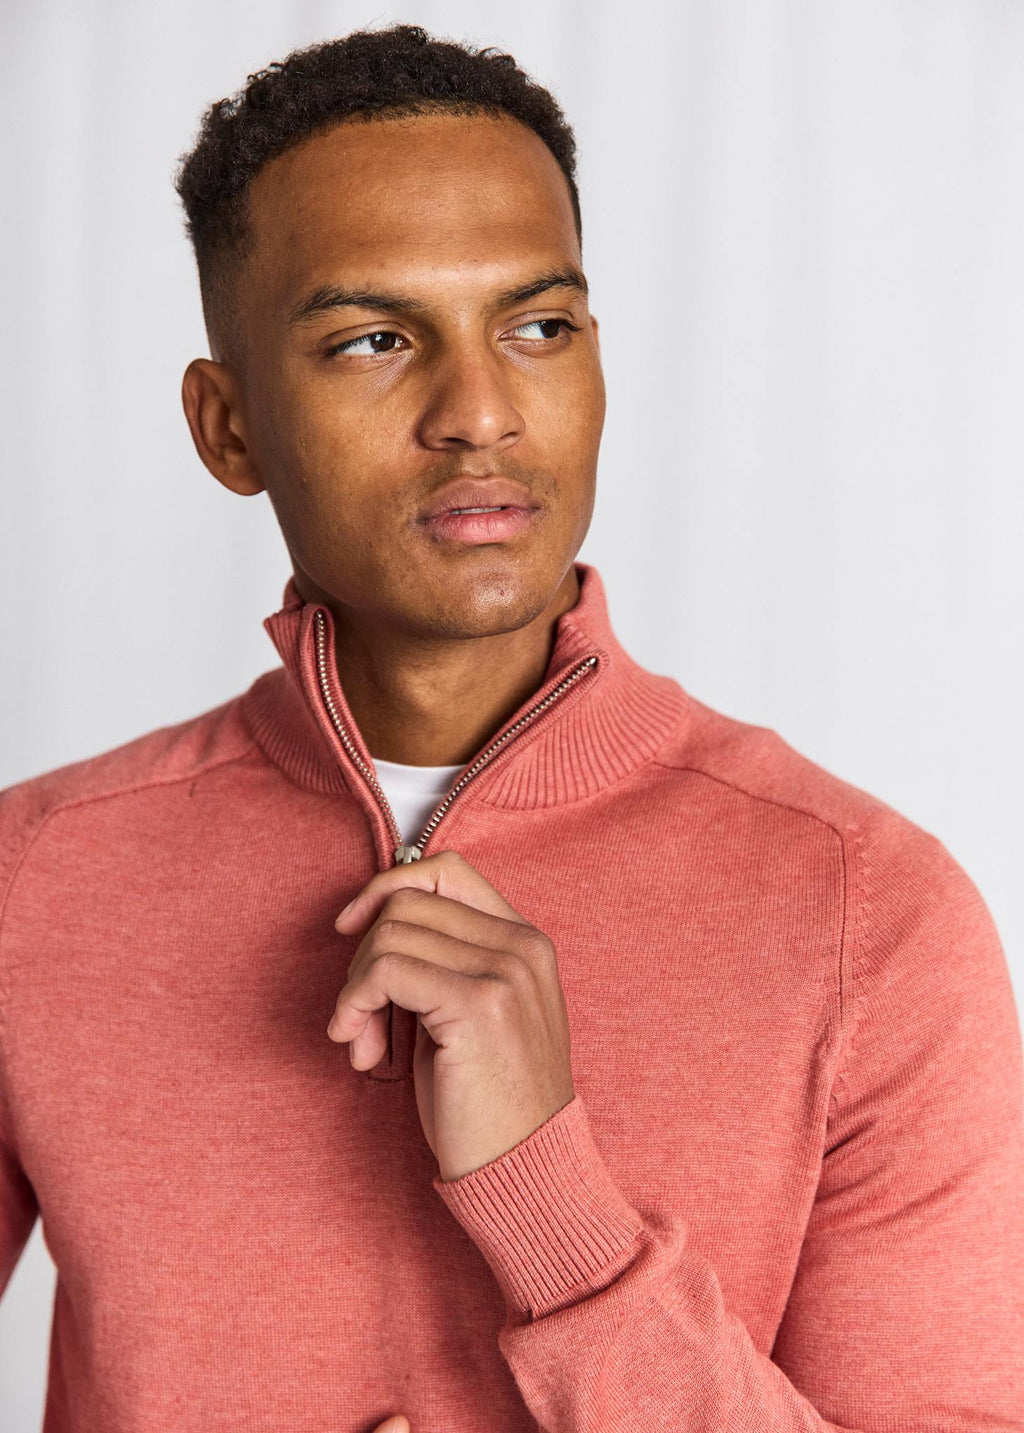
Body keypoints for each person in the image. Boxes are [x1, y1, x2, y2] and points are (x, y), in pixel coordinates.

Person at [1, 22, 1022, 1433]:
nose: (480, 413)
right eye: (374, 340)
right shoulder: (33, 879)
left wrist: (551, 1201)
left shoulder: (869, 912)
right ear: (228, 428)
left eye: (538, 328)